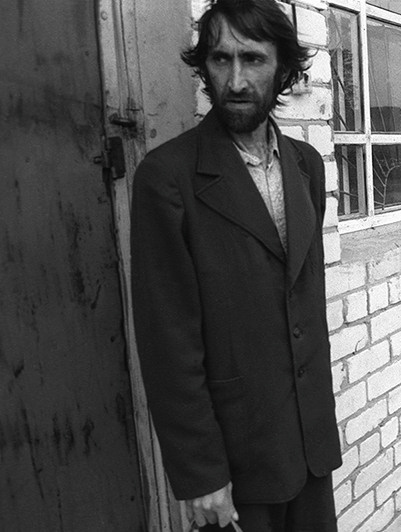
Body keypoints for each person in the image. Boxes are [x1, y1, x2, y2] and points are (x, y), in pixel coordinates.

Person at [130, 1, 341, 530]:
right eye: (221, 60)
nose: (236, 80)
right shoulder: (168, 178)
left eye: (253, 59)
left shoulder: (306, 165)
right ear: (204, 66)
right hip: (236, 457)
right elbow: (167, 341)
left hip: (309, 443)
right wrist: (200, 472)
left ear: (285, 69)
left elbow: (302, 299)